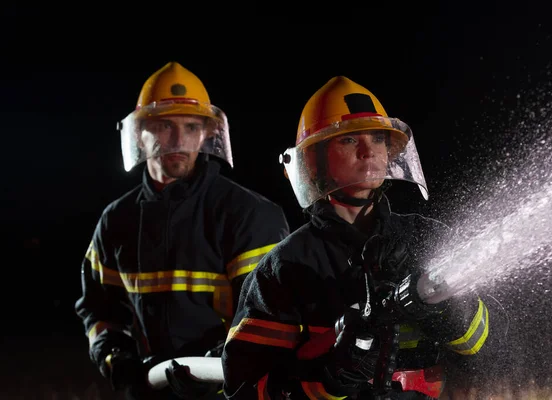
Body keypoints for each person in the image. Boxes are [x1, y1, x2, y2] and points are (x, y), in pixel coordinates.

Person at [222, 76, 490, 399]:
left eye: (377, 138)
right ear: (314, 160)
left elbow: (491, 350)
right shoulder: (283, 269)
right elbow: (246, 390)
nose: (368, 151)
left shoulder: (426, 237)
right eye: (348, 140)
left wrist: (446, 307)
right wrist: (330, 377)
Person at [74, 61, 290, 400]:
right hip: (148, 390)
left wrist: (213, 368)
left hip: (228, 391)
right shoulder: (116, 221)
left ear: (206, 134)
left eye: (191, 127)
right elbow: (99, 310)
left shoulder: (250, 215)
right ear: (139, 135)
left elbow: (270, 319)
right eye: (163, 126)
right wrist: (115, 357)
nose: (178, 140)